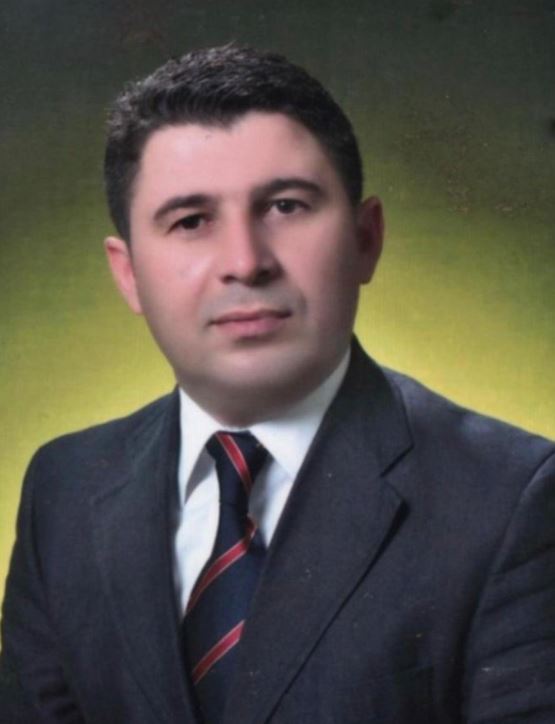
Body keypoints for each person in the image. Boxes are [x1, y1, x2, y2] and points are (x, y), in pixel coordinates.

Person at [1, 45, 554, 724]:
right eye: (191, 221)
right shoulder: (62, 489)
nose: (244, 262)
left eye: (286, 206)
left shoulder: (512, 498)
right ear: (128, 273)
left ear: (365, 238)